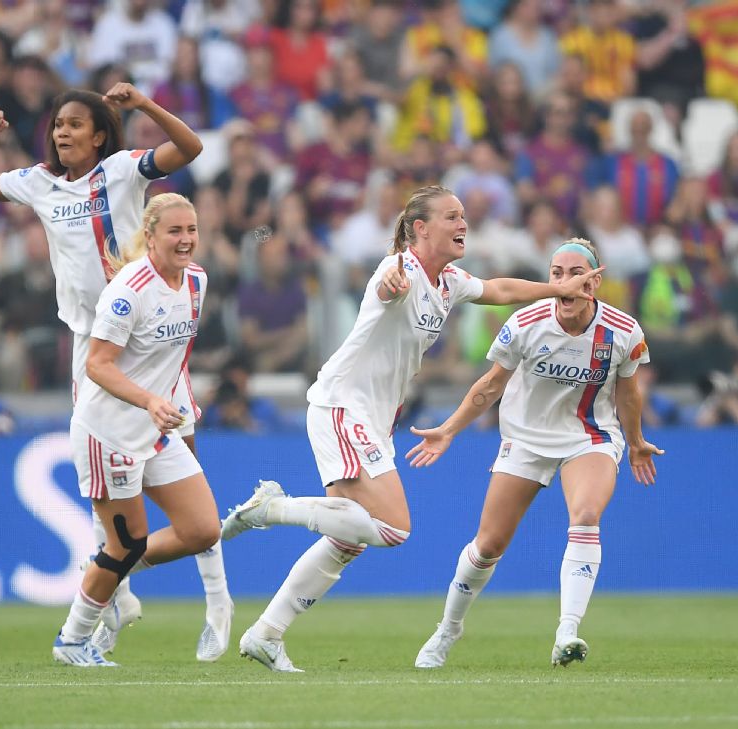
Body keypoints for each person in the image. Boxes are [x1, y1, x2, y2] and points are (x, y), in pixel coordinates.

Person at [219, 185, 600, 673]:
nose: (462, 224)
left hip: (373, 420)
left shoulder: (450, 281)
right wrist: (388, 288)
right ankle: (270, 508)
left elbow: (501, 290)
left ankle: (267, 634)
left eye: (464, 216)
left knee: (348, 537)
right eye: (451, 217)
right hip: (343, 405)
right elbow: (385, 287)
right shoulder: (397, 269)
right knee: (394, 527)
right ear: (420, 229)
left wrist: (557, 289)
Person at [0, 83, 234, 662]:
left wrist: (145, 106)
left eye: (75, 124)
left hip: (152, 330)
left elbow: (189, 147)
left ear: (100, 134)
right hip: (98, 343)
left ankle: (142, 580)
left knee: (183, 513)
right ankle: (108, 586)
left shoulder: (124, 170)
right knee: (121, 509)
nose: (62, 132)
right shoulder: (39, 182)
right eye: (58, 124)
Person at [405, 237, 663, 669]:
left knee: (585, 517)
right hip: (525, 437)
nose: (563, 282)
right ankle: (448, 628)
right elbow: (490, 385)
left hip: (589, 437)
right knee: (488, 546)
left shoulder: (623, 331)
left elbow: (629, 395)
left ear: (594, 282)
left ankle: (567, 631)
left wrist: (635, 443)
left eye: (575, 273)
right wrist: (448, 429)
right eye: (556, 273)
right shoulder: (527, 322)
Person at [52, 193, 223, 667]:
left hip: (155, 430)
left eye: (191, 229)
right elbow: (98, 365)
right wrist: (149, 400)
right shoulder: (130, 289)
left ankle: (104, 569)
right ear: (150, 236)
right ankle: (72, 639)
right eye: (174, 230)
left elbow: (174, 361)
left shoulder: (197, 282)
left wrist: (174, 406)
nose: (186, 239)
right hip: (108, 432)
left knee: (203, 529)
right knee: (127, 544)